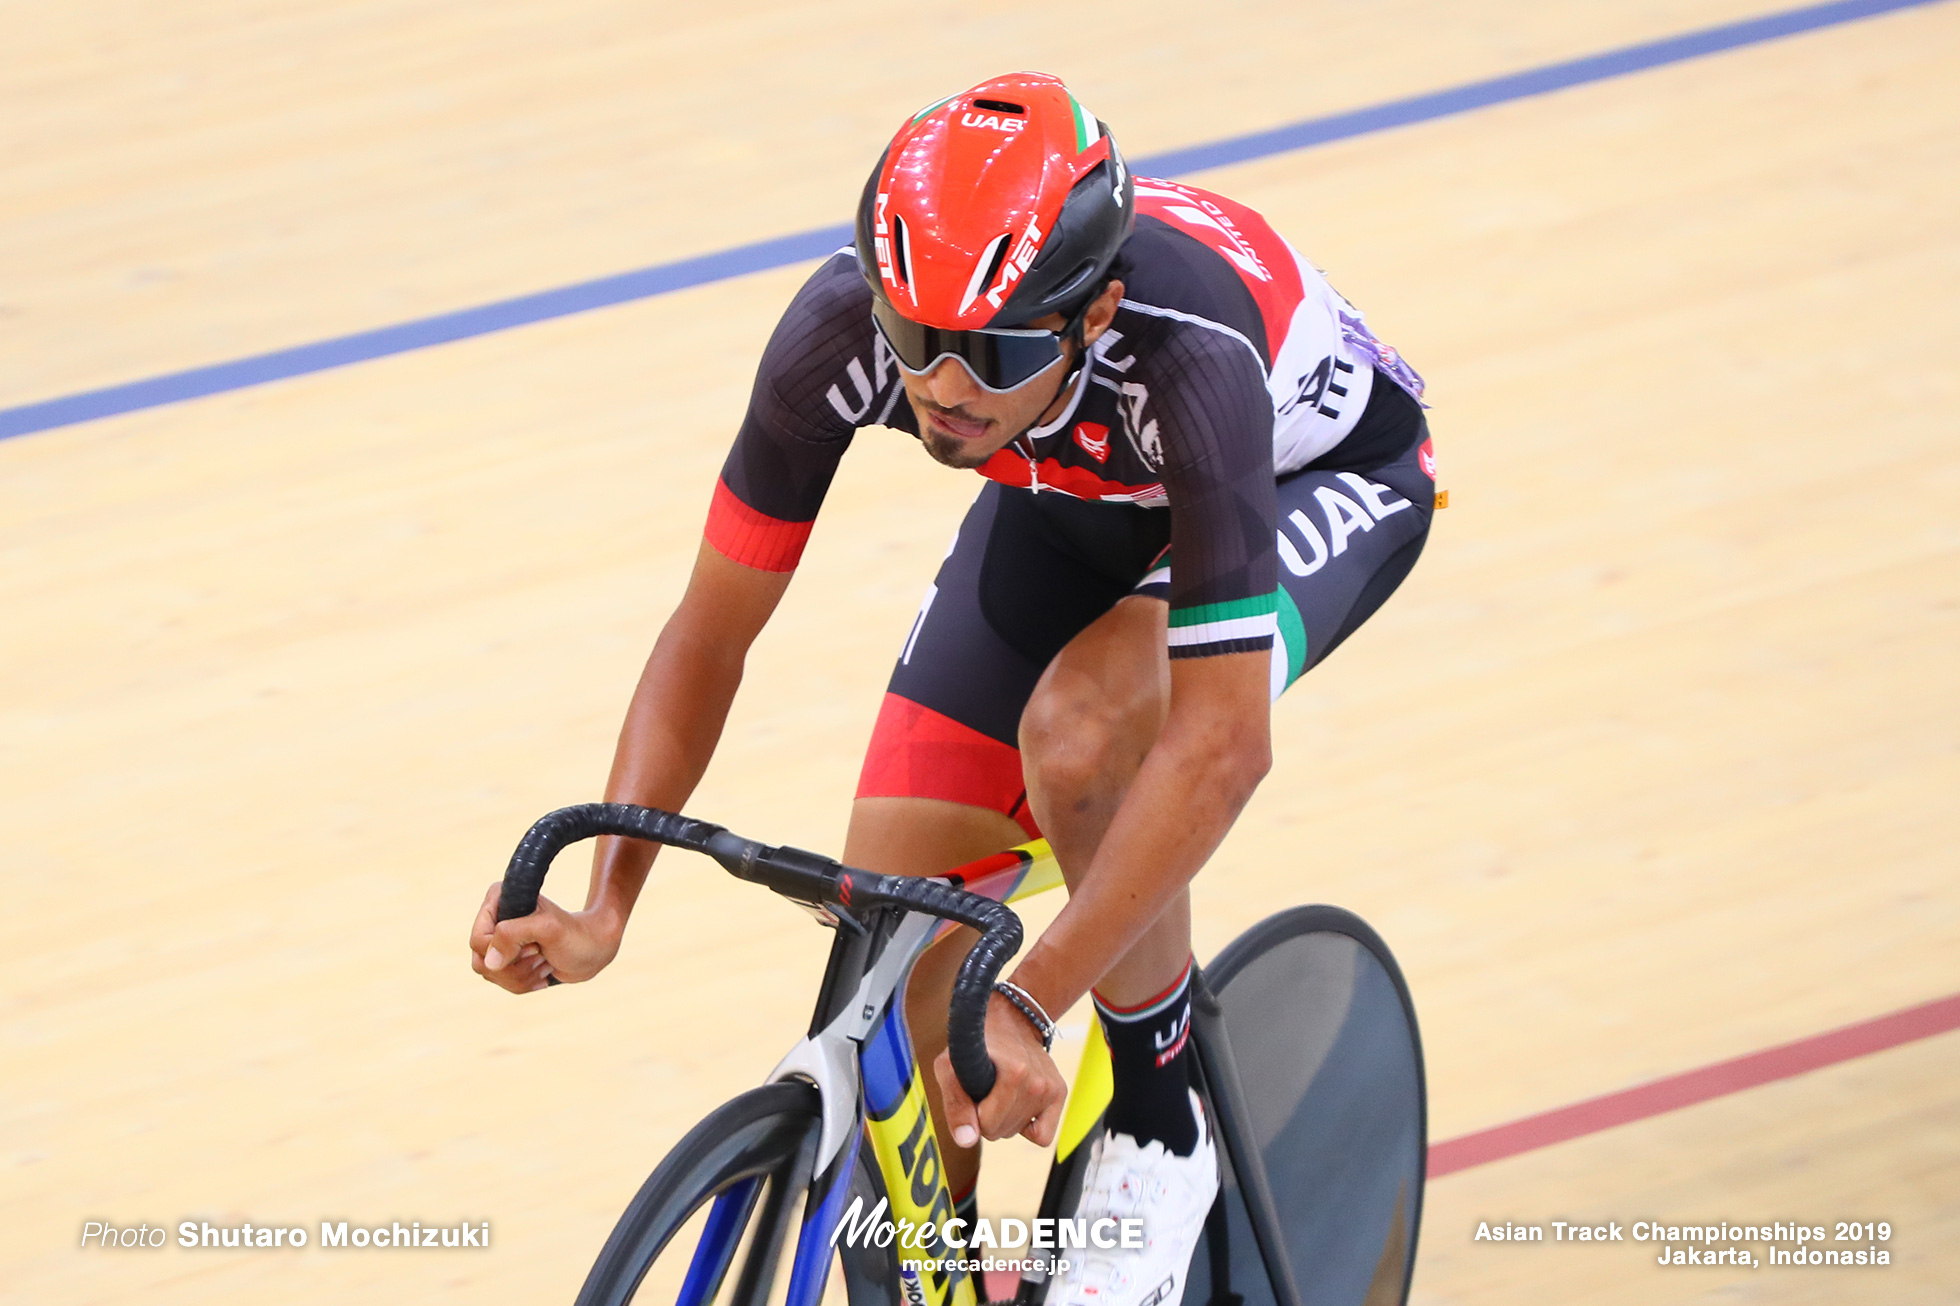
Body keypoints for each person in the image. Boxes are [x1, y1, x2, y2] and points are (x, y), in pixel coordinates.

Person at [470, 71, 1435, 1306]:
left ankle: (1157, 1119)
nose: (943, 384)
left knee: (1085, 735)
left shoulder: (1187, 354)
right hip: (1068, 494)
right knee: (902, 923)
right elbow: (710, 631)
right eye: (917, 337)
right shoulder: (847, 334)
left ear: (1096, 313)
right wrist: (608, 902)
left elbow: (1219, 746)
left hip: (1314, 480)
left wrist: (1030, 999)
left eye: (991, 347)